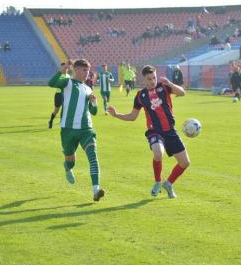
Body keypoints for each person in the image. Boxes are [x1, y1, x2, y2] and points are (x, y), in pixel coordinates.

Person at [107, 65, 190, 199]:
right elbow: (132, 116)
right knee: (158, 152)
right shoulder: (140, 95)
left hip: (170, 131)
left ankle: (168, 184)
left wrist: (170, 83)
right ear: (143, 80)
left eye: (154, 78)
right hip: (154, 131)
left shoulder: (164, 87)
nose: (152, 81)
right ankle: (157, 182)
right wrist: (117, 115)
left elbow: (182, 93)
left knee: (185, 163)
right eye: (149, 79)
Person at [48, 59, 105, 201]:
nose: (87, 73)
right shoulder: (67, 82)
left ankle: (96, 190)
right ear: (77, 70)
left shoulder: (88, 89)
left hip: (86, 129)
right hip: (68, 130)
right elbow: (51, 83)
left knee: (93, 157)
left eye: (88, 70)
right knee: (71, 161)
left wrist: (94, 102)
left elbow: (94, 111)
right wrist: (64, 69)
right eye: (85, 70)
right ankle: (67, 168)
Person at [48, 62, 67, 129]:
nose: (65, 69)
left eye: (66, 67)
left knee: (65, 109)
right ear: (61, 68)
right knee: (56, 110)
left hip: (66, 95)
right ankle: (51, 121)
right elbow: (53, 83)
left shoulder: (68, 76)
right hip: (59, 95)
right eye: (63, 67)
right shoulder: (59, 76)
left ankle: (62, 122)